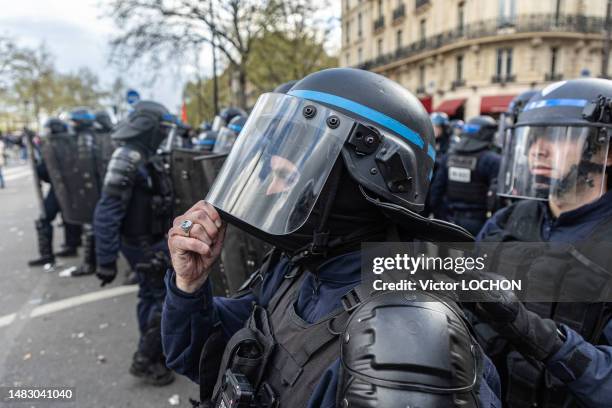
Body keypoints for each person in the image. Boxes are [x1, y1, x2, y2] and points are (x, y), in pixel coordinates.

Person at [162, 68, 502, 407]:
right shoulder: (301, 267)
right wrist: (189, 286)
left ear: (358, 186)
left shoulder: (407, 340)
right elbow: (205, 355)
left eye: (286, 175)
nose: (270, 188)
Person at [472, 78, 612, 407]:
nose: (538, 150)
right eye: (533, 137)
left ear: (606, 151)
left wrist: (548, 341)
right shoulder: (504, 224)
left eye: (555, 136)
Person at [93, 101, 175, 385]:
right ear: (147, 128)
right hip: (140, 243)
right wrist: (105, 259)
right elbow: (107, 210)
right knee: (162, 299)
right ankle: (146, 359)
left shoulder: (145, 155)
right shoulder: (127, 157)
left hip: (152, 240)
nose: (165, 134)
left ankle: (154, 352)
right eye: (161, 129)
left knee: (150, 296)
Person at [429, 116, 501, 235]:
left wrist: (442, 218)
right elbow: (497, 199)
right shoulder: (492, 160)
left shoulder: (448, 157)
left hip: (449, 221)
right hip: (480, 225)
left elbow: (436, 193)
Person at [28, 118, 83, 266]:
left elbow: (46, 171)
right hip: (75, 188)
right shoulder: (74, 142)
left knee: (45, 219)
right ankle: (72, 245)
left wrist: (37, 168)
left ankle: (47, 255)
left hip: (59, 188)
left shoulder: (51, 146)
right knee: (69, 216)